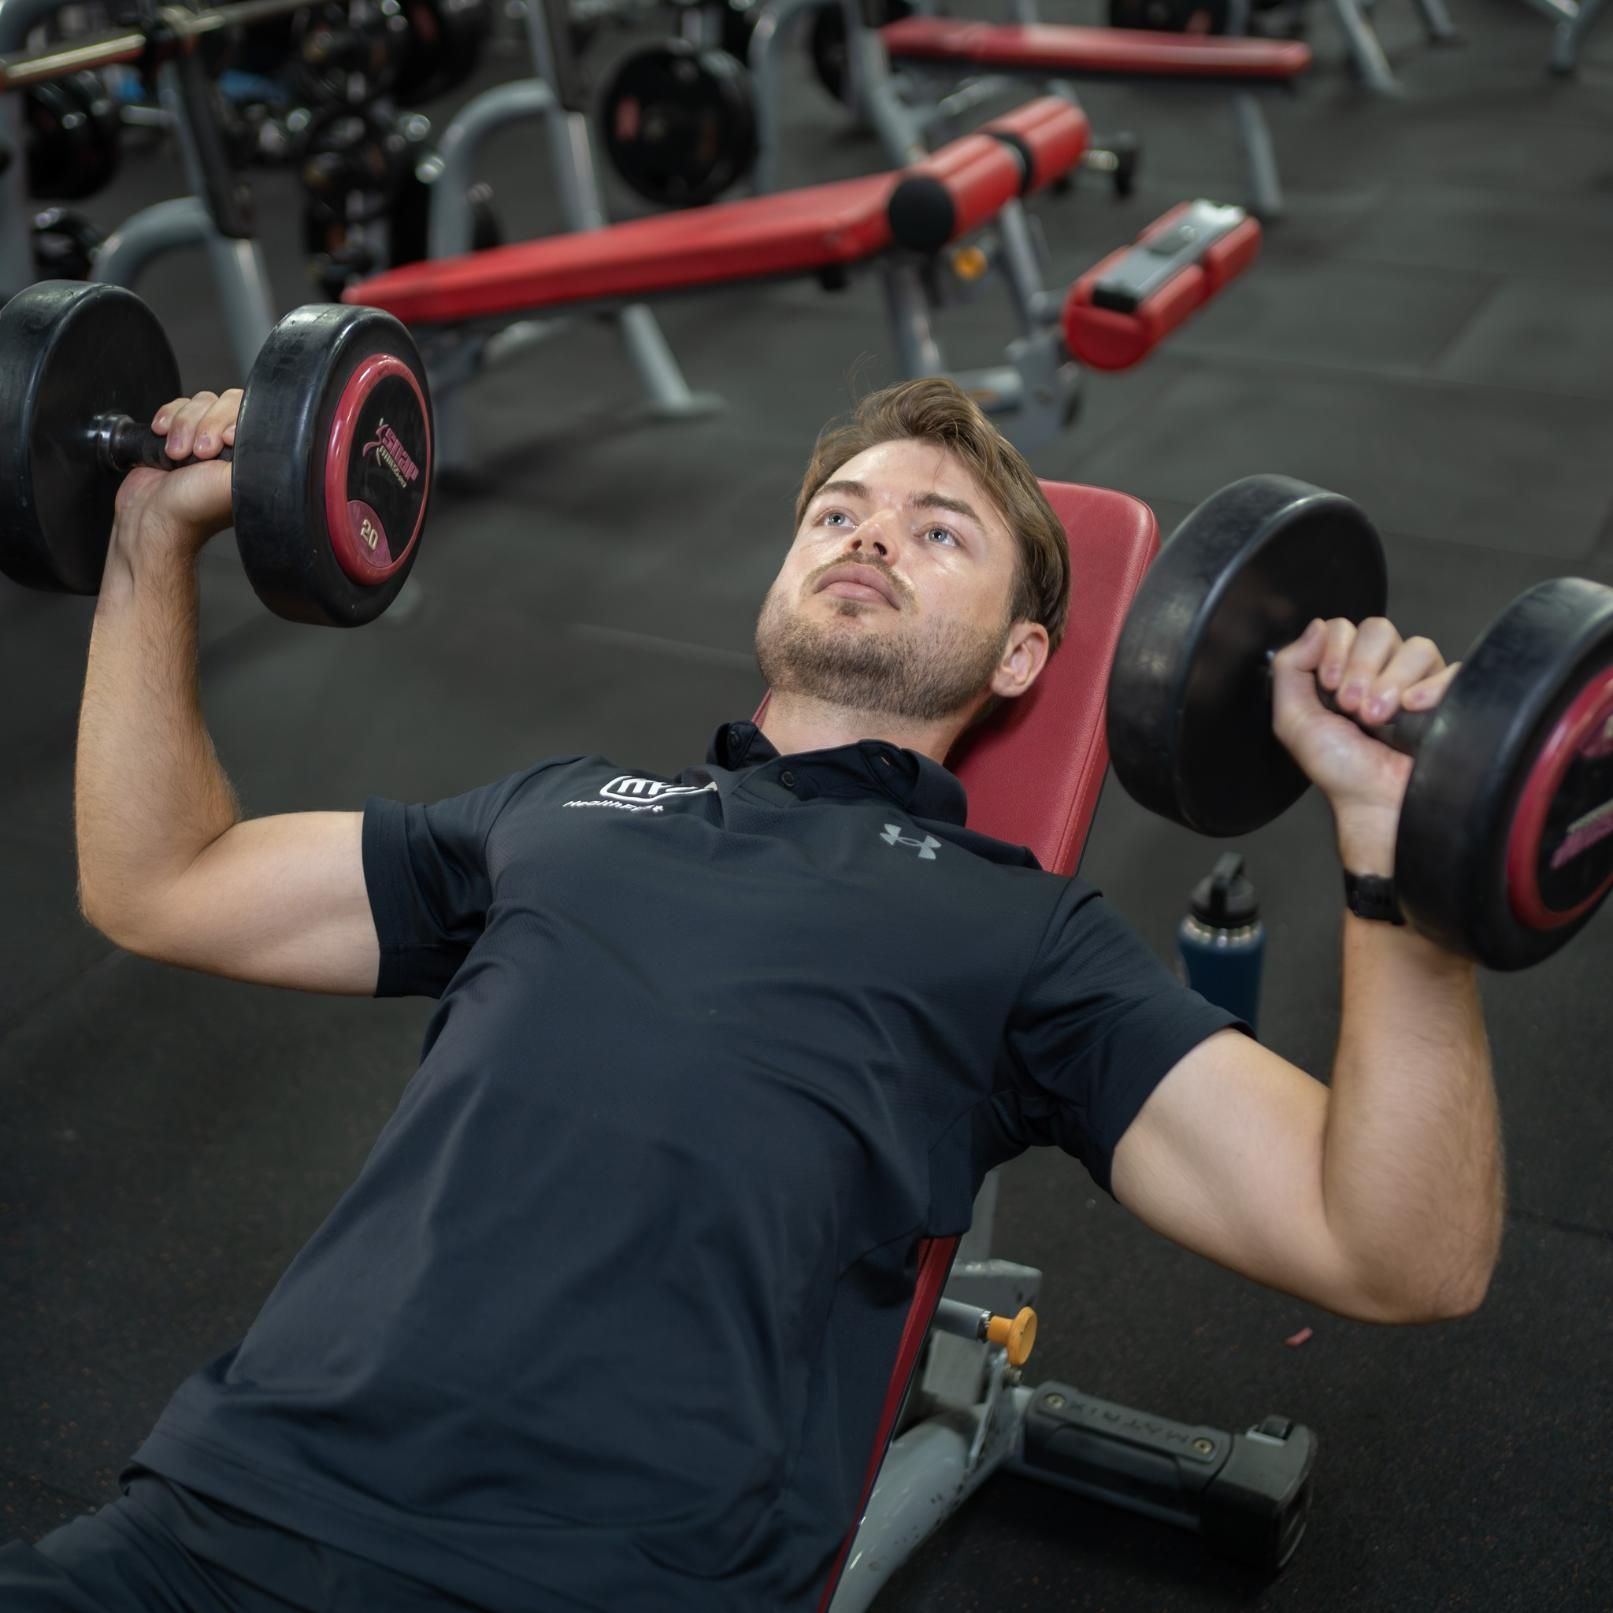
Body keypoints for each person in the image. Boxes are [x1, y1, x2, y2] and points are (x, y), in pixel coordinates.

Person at [2, 377, 1503, 1613]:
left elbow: (1396, 1249)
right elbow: (159, 878)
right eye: (837, 513)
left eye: (940, 530)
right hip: (220, 1514)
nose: (868, 537)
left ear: (1025, 651)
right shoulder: (559, 805)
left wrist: (1399, 859)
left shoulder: (1021, 934)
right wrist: (151, 546)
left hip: (604, 1581)